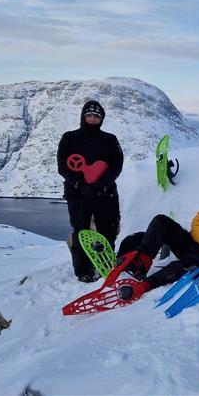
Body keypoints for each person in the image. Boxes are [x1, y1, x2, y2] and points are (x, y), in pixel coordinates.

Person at [57, 100, 124, 282]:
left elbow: (116, 165)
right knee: (81, 231)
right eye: (89, 115)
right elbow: (62, 166)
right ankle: (83, 271)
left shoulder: (110, 139)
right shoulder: (69, 138)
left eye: (96, 116)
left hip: (105, 193)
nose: (93, 119)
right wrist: (79, 184)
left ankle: (106, 265)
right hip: (77, 194)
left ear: (101, 119)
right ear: (83, 116)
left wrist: (101, 184)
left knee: (108, 230)